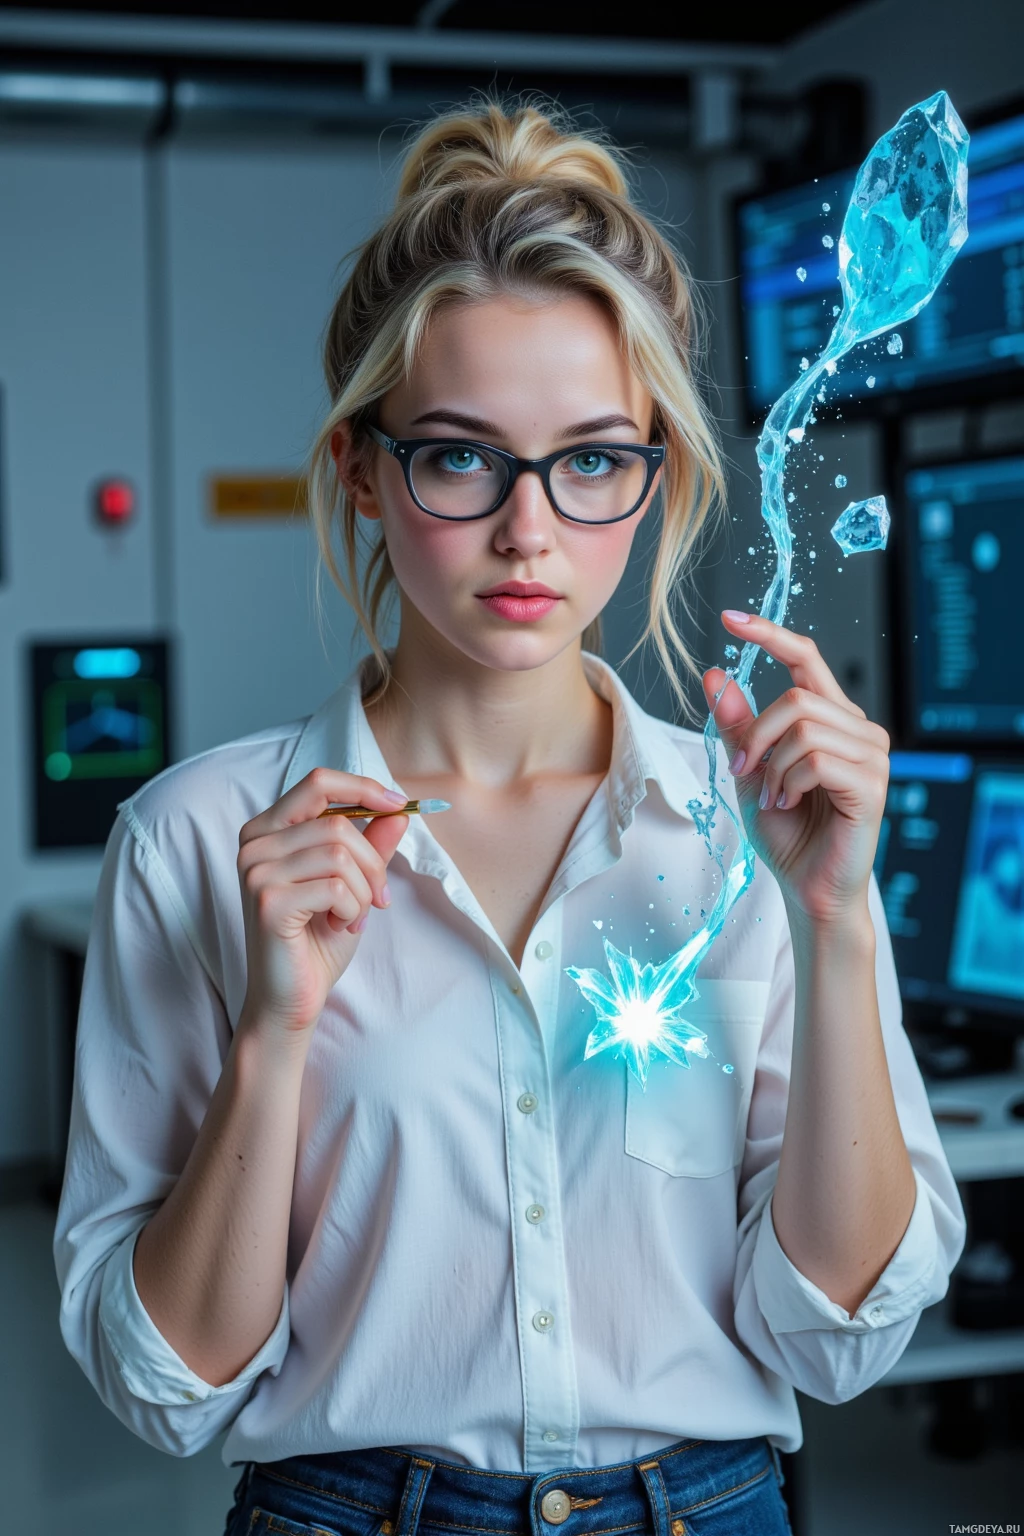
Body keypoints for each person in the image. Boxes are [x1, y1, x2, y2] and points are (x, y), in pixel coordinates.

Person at [54, 101, 965, 1536]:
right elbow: (170, 1388)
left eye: (594, 458)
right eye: (463, 458)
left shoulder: (757, 830)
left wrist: (839, 924)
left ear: (655, 473)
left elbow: (838, 1336)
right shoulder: (192, 843)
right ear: (363, 468)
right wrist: (273, 1030)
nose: (530, 532)